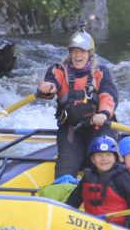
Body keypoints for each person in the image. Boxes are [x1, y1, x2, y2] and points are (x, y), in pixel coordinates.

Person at [35, 29, 119, 178]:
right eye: (74, 51)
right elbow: (51, 82)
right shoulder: (59, 70)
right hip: (71, 129)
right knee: (65, 168)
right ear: (69, 53)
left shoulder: (100, 72)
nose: (78, 55)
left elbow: (109, 95)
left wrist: (104, 113)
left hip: (99, 126)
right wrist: (46, 87)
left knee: (105, 163)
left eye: (82, 51)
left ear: (89, 53)